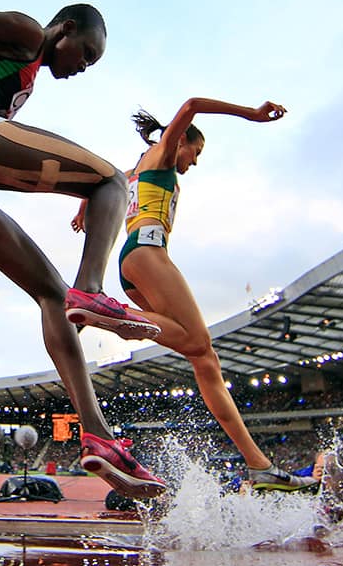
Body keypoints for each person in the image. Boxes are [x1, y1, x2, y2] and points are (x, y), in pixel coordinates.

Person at [0, 0, 164, 498]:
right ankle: (91, 289)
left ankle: (97, 435)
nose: (80, 68)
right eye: (84, 54)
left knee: (50, 293)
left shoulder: (25, 69)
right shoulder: (26, 33)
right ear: (63, 30)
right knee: (111, 179)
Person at [71, 98, 315, 492]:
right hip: (149, 253)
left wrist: (85, 207)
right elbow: (193, 104)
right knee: (202, 348)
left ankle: (259, 465)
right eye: (196, 151)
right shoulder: (163, 153)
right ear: (179, 139)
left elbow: (104, 181)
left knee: (203, 357)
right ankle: (106, 312)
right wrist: (251, 114)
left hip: (132, 262)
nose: (195, 162)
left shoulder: (134, 170)